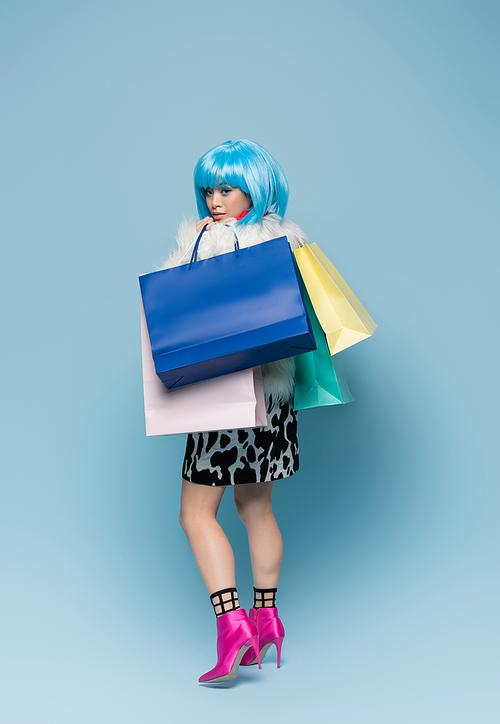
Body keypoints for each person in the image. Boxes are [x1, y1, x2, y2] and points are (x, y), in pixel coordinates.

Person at [161, 140, 308, 683]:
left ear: (254, 186)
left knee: (196, 514)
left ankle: (232, 627)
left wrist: (191, 245)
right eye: (208, 189)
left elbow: (183, 307)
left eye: (225, 188)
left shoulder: (213, 238)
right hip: (273, 402)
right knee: (256, 510)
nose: (214, 200)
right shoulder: (283, 239)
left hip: (223, 401)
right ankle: (266, 617)